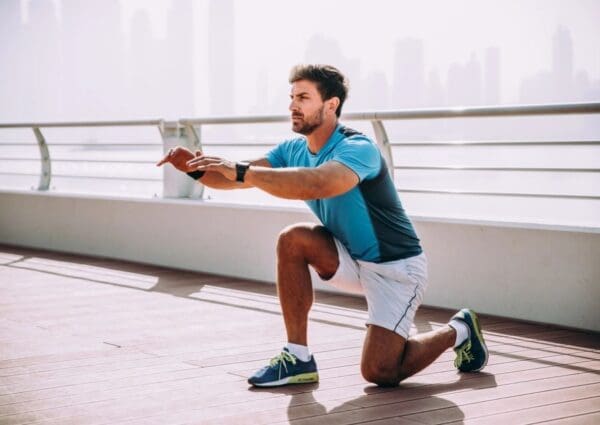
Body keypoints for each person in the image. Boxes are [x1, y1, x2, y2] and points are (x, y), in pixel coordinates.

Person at [156, 64, 488, 387]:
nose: (292, 105)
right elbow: (236, 178)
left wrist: (241, 170)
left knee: (380, 372)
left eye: (303, 97)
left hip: (396, 269)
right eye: (292, 97)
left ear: (331, 105)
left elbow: (318, 182)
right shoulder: (292, 150)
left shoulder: (359, 149)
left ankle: (459, 329)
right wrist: (194, 169)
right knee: (293, 239)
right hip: (350, 257)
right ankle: (297, 357)